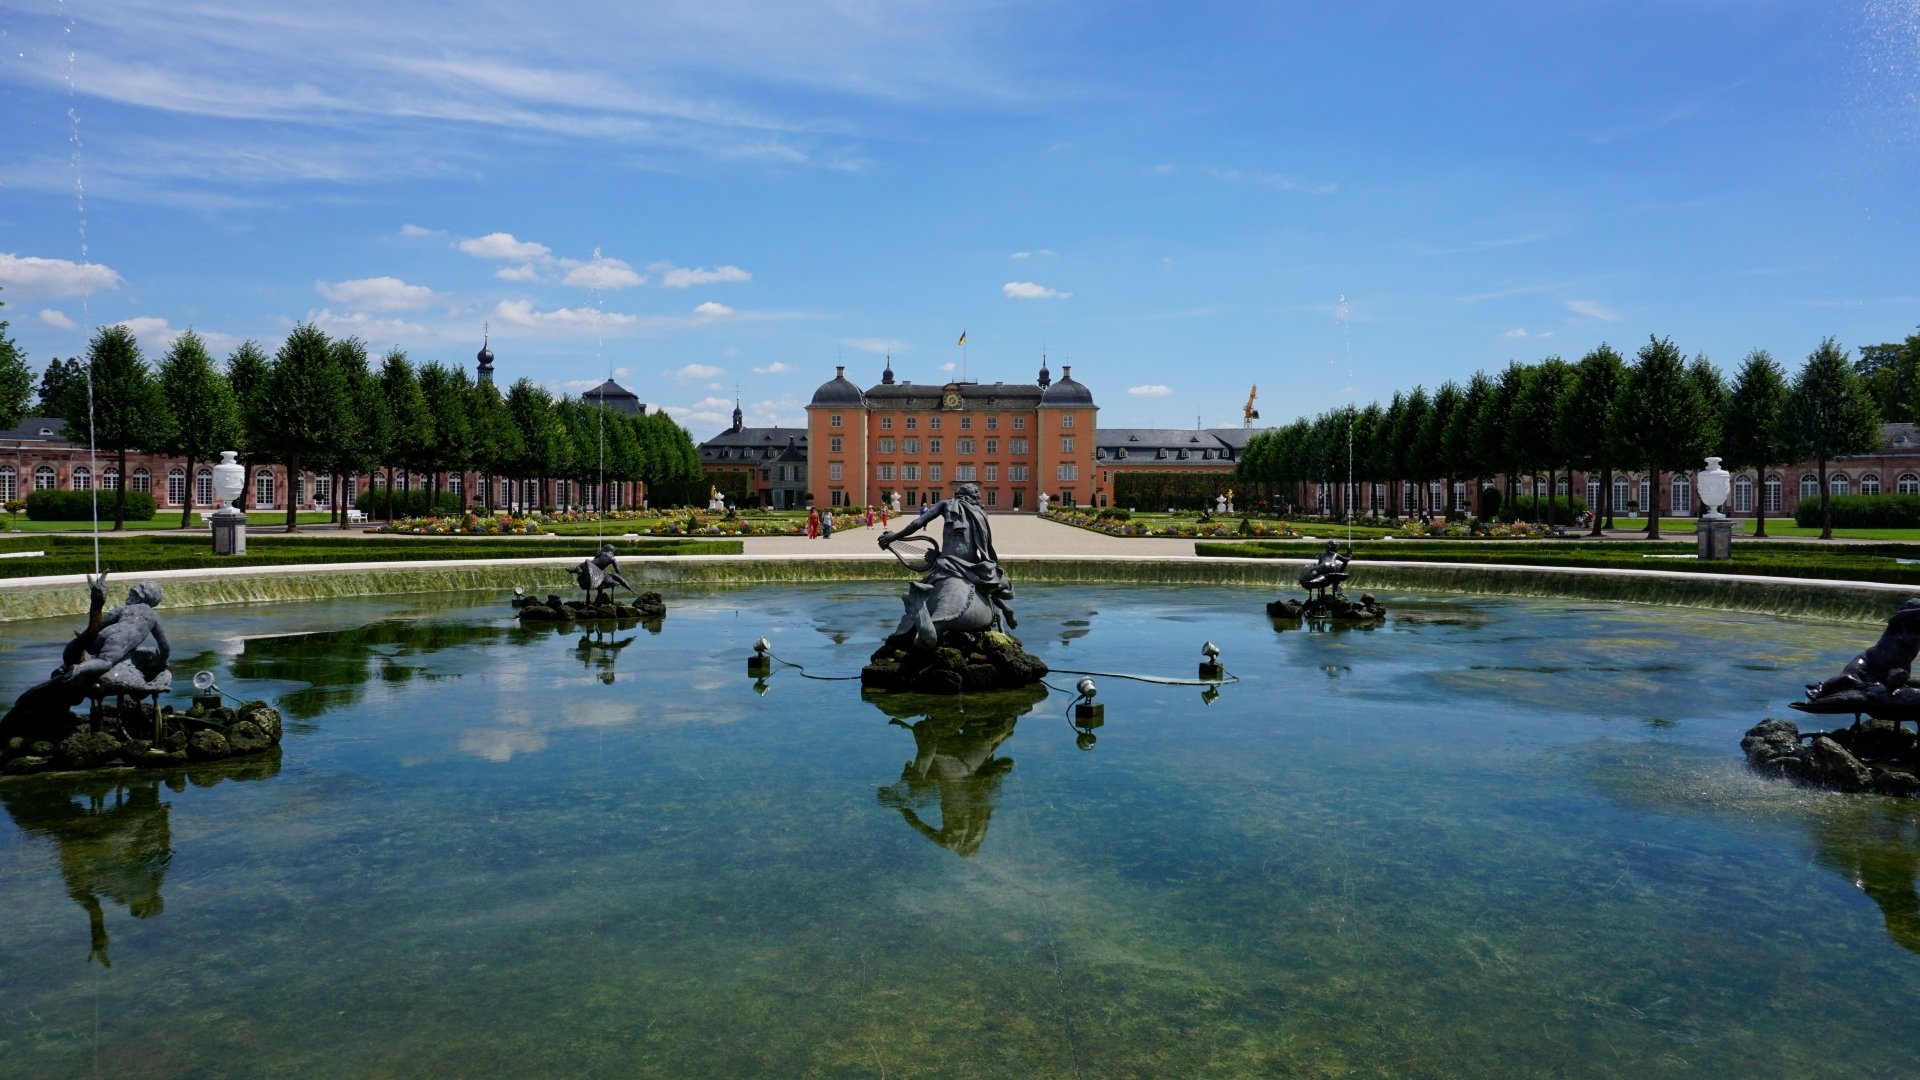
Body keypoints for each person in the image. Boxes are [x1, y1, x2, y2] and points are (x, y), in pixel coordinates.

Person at [876, 483, 1016, 647]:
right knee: (986, 582)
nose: (979, 497)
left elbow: (918, 522)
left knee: (930, 581)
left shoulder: (946, 504)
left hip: (950, 562)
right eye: (977, 495)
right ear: (974, 497)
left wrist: (895, 536)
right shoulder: (980, 512)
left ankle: (918, 613)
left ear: (959, 494)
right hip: (971, 565)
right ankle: (1004, 608)